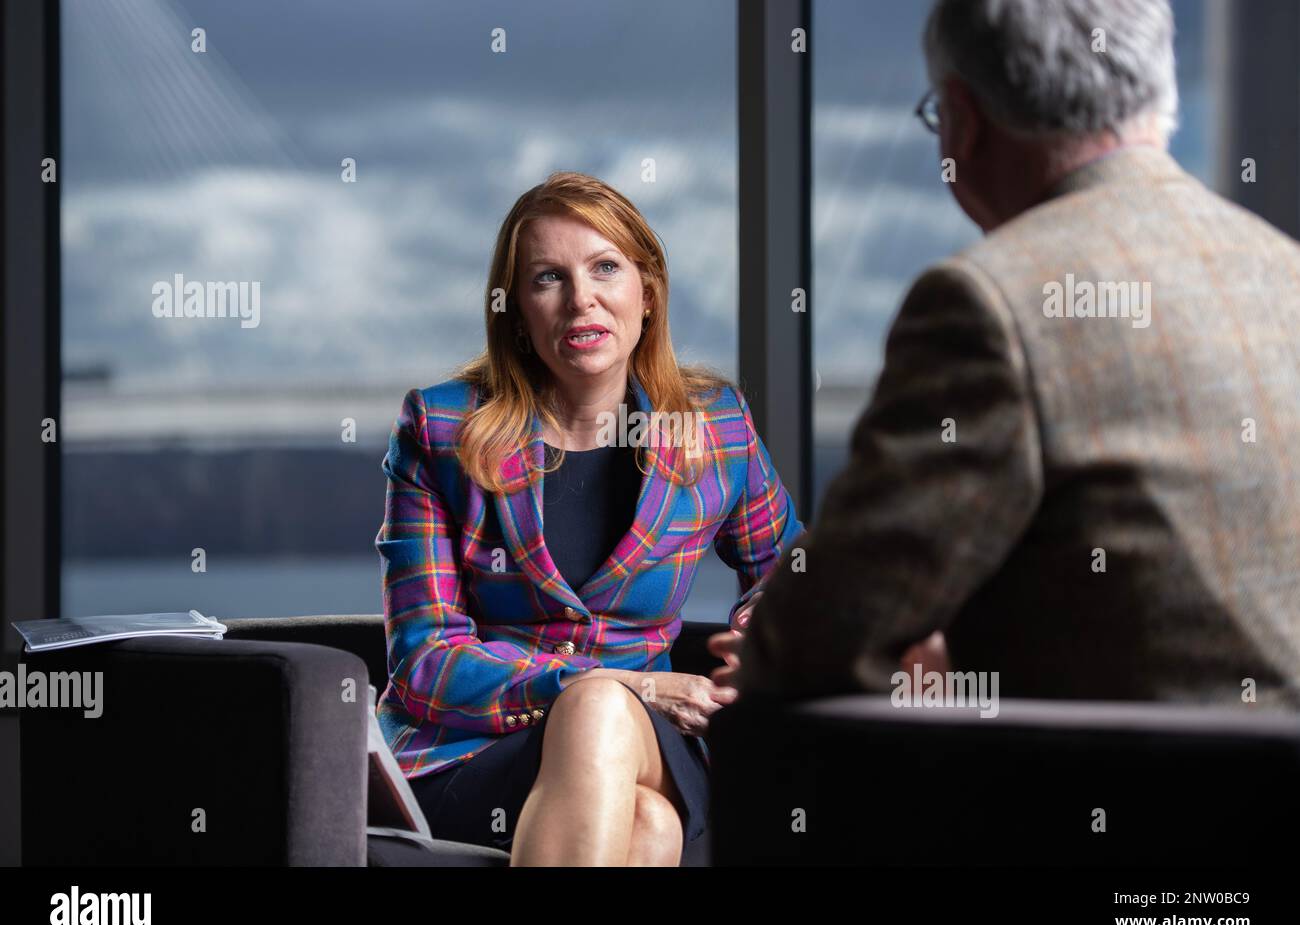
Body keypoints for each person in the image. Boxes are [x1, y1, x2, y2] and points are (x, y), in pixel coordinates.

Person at [712, 0, 1300, 708]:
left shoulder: (991, 302)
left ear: (962, 117)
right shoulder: (1281, 270)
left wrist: (840, 657)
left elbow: (820, 638)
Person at [374, 171, 802, 866]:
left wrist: (763, 634)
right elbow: (424, 660)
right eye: (548, 278)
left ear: (647, 291)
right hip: (476, 752)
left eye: (606, 267)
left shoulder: (716, 426)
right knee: (648, 829)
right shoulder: (442, 427)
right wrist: (614, 685)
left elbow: (791, 566)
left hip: (651, 742)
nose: (582, 300)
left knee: (601, 716)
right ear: (515, 309)